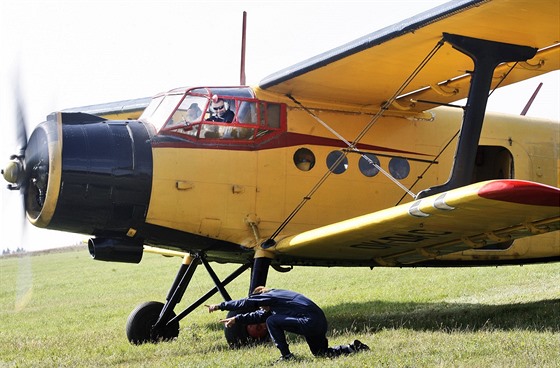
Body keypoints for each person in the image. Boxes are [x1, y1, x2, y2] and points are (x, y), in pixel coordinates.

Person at [207, 287, 369, 363]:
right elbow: (260, 314)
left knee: (271, 321)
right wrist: (236, 320)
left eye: (261, 304)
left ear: (261, 298)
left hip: (309, 322)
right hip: (319, 321)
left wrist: (220, 306)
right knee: (321, 353)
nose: (262, 308)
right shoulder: (278, 296)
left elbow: (245, 303)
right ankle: (352, 347)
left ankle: (287, 356)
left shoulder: (268, 296)